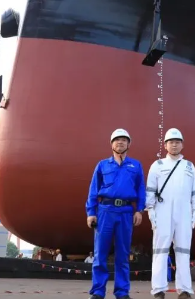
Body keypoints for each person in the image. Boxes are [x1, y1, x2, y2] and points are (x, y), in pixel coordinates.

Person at [86, 128, 146, 299]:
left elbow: (141, 189)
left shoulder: (136, 165)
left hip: (126, 212)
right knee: (100, 253)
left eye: (124, 140)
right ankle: (98, 292)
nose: (120, 142)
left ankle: (122, 292)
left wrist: (139, 210)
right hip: (105, 211)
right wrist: (91, 212)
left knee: (123, 254)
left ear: (129, 144)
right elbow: (93, 190)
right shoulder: (102, 165)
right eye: (117, 140)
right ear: (111, 144)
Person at [146, 128, 195, 299]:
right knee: (160, 251)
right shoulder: (157, 165)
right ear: (165, 145)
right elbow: (150, 190)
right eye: (171, 142)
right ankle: (158, 290)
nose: (174, 145)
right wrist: (150, 210)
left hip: (184, 213)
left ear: (182, 145)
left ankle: (184, 290)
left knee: (183, 251)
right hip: (162, 212)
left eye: (177, 142)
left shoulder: (189, 166)